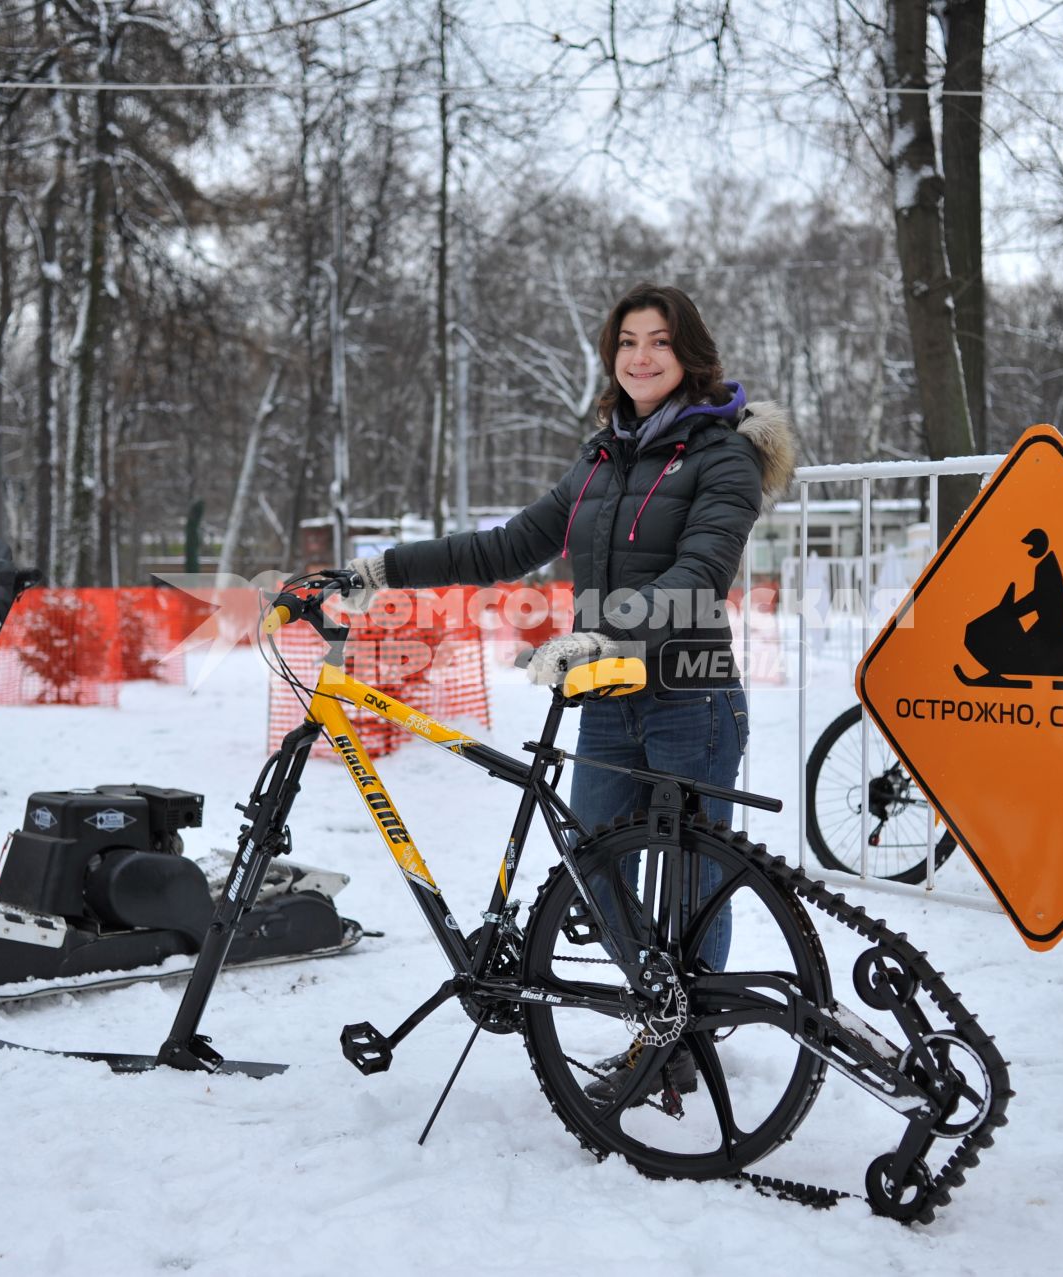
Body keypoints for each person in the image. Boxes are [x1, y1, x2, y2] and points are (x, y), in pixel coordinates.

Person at [339, 282, 793, 1100]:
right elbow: (510, 545)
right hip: (610, 698)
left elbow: (700, 575)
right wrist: (388, 567)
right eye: (626, 342)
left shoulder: (723, 455)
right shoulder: (601, 456)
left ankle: (679, 1036)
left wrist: (607, 628)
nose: (641, 357)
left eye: (658, 341)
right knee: (593, 864)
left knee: (691, 884)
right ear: (611, 356)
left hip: (691, 693)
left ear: (689, 354)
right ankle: (661, 1013)